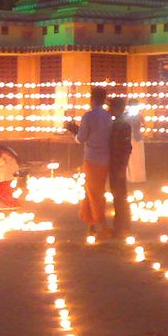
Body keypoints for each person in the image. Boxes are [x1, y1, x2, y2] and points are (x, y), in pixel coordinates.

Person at [65, 86, 112, 237]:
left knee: (94, 193)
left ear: (92, 99)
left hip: (92, 158)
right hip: (105, 158)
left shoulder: (88, 116)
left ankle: (103, 226)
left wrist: (74, 131)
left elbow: (82, 138)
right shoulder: (108, 116)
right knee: (91, 191)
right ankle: (91, 223)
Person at [108, 97, 133, 235]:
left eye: (110, 107)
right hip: (114, 162)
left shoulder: (123, 125)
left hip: (118, 164)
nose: (108, 109)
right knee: (117, 194)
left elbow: (127, 148)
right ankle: (121, 225)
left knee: (120, 195)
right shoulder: (116, 123)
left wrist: (123, 168)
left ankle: (121, 226)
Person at [125, 99, 146, 183]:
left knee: (138, 160)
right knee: (130, 160)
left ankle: (138, 178)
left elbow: (144, 124)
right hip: (128, 139)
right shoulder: (125, 115)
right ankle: (130, 178)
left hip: (137, 139)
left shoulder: (139, 116)